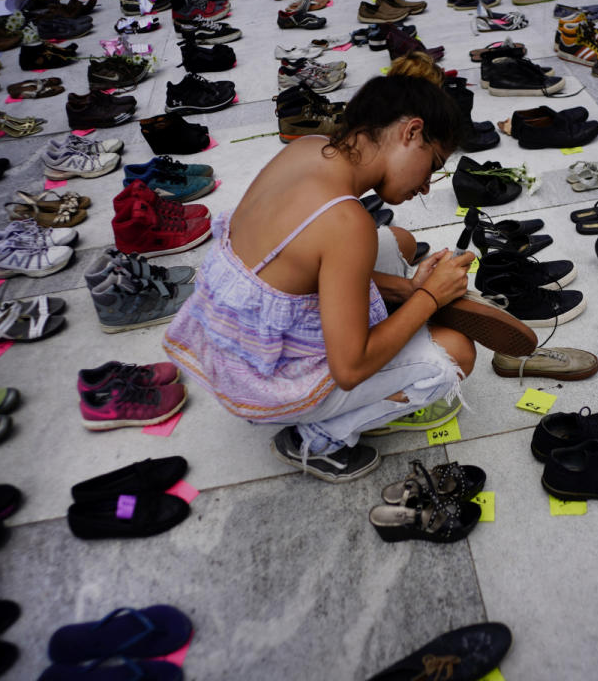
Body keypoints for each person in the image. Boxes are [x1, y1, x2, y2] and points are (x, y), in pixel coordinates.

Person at [163, 52, 478, 483]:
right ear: (412, 132)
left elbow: (305, 259)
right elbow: (350, 369)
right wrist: (428, 298)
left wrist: (409, 290)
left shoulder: (309, 148)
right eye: (433, 166)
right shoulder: (346, 222)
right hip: (261, 381)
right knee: (454, 354)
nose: (425, 185)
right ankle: (319, 438)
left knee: (397, 241)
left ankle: (393, 313)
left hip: (230, 343)